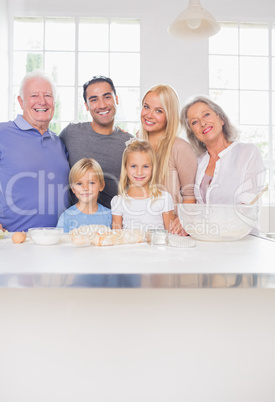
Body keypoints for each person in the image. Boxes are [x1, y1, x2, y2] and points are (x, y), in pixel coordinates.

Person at [0, 70, 70, 232]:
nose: (42, 101)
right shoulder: (2, 133)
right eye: (34, 95)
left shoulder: (58, 142)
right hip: (14, 242)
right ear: (21, 101)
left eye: (47, 95)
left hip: (58, 241)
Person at [59, 75, 133, 209]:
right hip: (77, 221)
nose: (102, 105)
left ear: (116, 99)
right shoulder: (71, 133)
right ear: (86, 106)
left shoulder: (129, 143)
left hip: (116, 223)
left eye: (107, 97)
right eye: (94, 99)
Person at [180, 95, 266, 204]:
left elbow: (248, 205)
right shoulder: (197, 162)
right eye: (194, 122)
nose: (202, 123)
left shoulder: (248, 152)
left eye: (206, 115)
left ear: (221, 119)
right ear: (193, 133)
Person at [139, 84, 197, 205]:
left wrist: (180, 221)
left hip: (169, 222)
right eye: (146, 107)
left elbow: (189, 195)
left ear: (169, 116)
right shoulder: (136, 144)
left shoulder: (180, 148)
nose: (149, 115)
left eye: (158, 111)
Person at [111, 139, 176, 233]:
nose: (139, 172)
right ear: (125, 167)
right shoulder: (118, 202)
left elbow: (171, 235)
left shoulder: (164, 198)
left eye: (145, 166)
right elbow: (117, 237)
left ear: (152, 168)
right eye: (133, 166)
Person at [57, 158, 112, 232]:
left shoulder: (109, 216)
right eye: (79, 184)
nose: (85, 188)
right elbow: (60, 242)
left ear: (101, 185)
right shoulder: (66, 217)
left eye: (91, 183)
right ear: (73, 189)